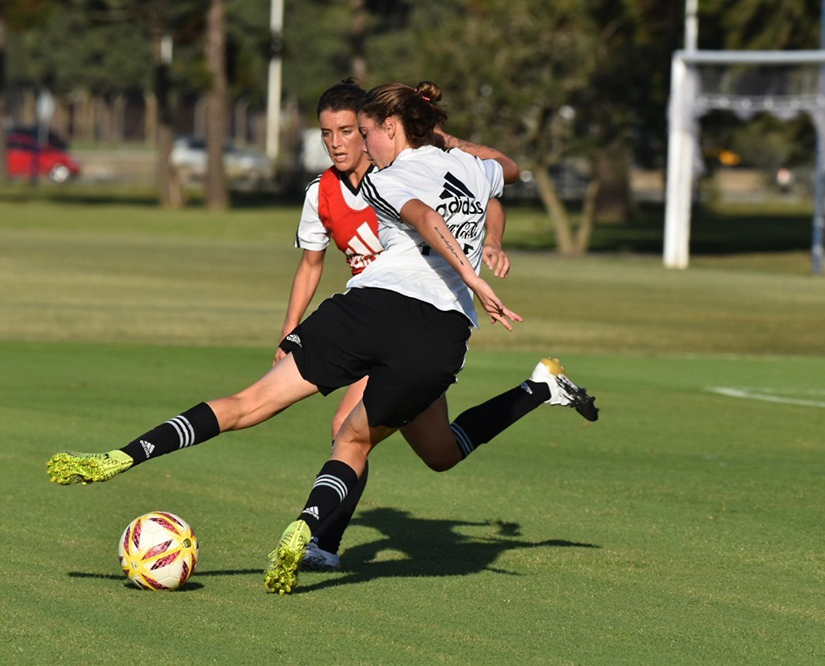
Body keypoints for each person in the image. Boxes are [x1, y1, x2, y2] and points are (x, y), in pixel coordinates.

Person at [45, 81, 597, 596]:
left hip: (370, 311)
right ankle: (312, 533)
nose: (358, 142)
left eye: (367, 130)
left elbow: (426, 217)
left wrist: (476, 272)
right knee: (354, 440)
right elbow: (508, 169)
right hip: (435, 334)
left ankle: (125, 455)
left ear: (389, 130)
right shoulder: (468, 168)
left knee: (267, 408)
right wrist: (470, 260)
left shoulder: (387, 177)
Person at [280, 80, 513, 572]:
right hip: (369, 318)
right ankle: (536, 389)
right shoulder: (322, 193)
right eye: (327, 133)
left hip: (414, 319)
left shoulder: (407, 170)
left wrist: (489, 242)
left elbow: (482, 191)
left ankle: (323, 541)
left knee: (347, 430)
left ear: (374, 132)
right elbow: (310, 266)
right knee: (441, 452)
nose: (338, 142)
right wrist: (290, 329)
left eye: (349, 130)